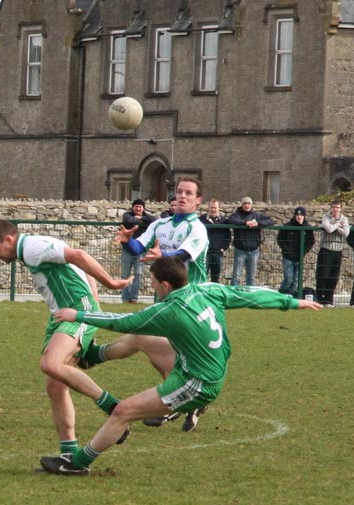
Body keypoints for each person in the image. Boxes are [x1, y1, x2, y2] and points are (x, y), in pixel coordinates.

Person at [40, 256, 322, 476]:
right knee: (141, 338)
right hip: (200, 364)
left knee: (124, 411)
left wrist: (77, 314)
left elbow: (120, 322)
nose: (151, 286)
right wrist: (290, 302)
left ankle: (77, 464)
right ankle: (93, 357)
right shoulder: (207, 289)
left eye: (152, 282)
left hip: (197, 382)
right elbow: (251, 294)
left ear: (164, 285)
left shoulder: (169, 310)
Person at [0, 220, 133, 460]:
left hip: (74, 311)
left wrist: (110, 285)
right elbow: (74, 262)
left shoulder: (31, 247)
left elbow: (79, 255)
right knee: (54, 385)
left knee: (50, 364)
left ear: (8, 239)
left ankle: (114, 406)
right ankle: (69, 455)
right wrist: (95, 301)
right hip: (61, 316)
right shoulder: (30, 248)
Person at [85, 177, 209, 432]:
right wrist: (126, 240)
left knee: (149, 339)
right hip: (168, 298)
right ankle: (182, 400)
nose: (182, 196)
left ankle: (92, 356)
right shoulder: (161, 225)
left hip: (193, 300)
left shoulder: (197, 228)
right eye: (179, 192)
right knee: (153, 344)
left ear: (198, 201)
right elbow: (137, 248)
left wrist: (164, 255)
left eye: (189, 193)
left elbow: (184, 255)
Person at [227, 197, 274, 286]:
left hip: (254, 251)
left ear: (251, 205)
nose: (247, 205)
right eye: (245, 203)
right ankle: (233, 295)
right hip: (240, 250)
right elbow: (230, 220)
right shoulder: (237, 214)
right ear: (242, 205)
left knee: (251, 277)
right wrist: (245, 223)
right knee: (236, 276)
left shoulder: (257, 215)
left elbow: (271, 221)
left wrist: (258, 223)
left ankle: (250, 296)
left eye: (248, 203)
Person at [120, 198, 157, 303]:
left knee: (138, 274)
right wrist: (138, 219)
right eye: (136, 206)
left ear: (143, 208)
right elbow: (128, 221)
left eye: (140, 206)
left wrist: (141, 218)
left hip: (140, 250)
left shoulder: (147, 216)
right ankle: (125, 298)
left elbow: (155, 220)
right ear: (132, 207)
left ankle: (134, 298)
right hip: (127, 250)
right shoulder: (127, 215)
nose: (138, 208)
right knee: (125, 274)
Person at [315, 200, 350, 307]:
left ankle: (329, 301)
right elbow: (328, 229)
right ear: (331, 208)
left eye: (338, 207)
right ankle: (320, 299)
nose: (336, 209)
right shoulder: (326, 217)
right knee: (323, 275)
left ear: (340, 209)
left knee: (333, 276)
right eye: (334, 207)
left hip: (337, 251)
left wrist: (336, 226)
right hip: (326, 250)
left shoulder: (344, 219)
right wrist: (338, 225)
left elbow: (346, 233)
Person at [277, 206, 315, 296]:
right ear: (294, 215)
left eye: (301, 215)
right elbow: (280, 239)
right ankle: (280, 293)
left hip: (299, 257)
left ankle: (289, 297)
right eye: (297, 215)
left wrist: (303, 252)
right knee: (289, 278)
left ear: (304, 216)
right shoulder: (287, 226)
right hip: (288, 257)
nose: (299, 217)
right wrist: (287, 251)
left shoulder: (307, 228)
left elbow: (311, 242)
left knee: (296, 280)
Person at [199, 199, 231, 283]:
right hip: (205, 252)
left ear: (219, 208)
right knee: (202, 275)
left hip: (218, 252)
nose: (213, 210)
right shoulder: (201, 220)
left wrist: (224, 247)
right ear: (208, 208)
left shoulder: (224, 221)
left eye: (215, 208)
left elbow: (228, 236)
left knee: (215, 277)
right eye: (211, 207)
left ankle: (213, 294)